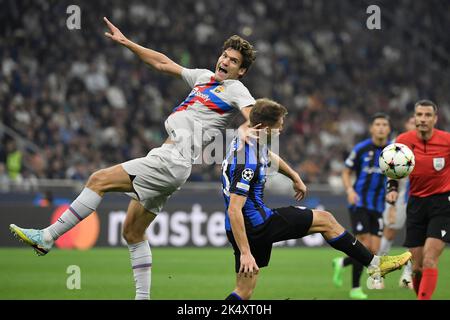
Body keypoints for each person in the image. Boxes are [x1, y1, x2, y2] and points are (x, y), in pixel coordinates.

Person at [9, 17, 258, 300]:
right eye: (225, 55)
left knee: (98, 180)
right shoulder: (203, 78)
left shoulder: (236, 90)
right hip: (169, 160)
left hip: (172, 160)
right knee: (132, 232)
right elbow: (163, 63)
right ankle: (143, 298)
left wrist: (247, 128)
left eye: (234, 61)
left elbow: (253, 115)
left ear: (242, 71)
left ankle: (48, 236)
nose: (225, 61)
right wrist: (128, 43)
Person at [221, 98, 411, 300]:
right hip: (256, 226)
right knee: (325, 220)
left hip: (243, 227)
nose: (281, 131)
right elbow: (234, 210)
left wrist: (294, 176)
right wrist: (245, 252)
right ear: (264, 127)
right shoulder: (247, 162)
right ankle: (374, 265)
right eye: (278, 127)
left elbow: (267, 154)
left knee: (243, 291)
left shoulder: (248, 139)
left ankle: (374, 265)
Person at [386, 100, 450, 300]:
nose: (422, 119)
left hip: (442, 203)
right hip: (416, 203)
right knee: (417, 266)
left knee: (430, 259)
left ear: (435, 119)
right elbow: (392, 168)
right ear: (414, 117)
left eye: (427, 115)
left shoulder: (447, 140)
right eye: (419, 115)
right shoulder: (403, 140)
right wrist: (393, 188)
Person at [332, 113, 392, 299]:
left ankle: (342, 263)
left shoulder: (393, 151)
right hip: (360, 203)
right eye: (378, 124)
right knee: (363, 243)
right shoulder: (362, 148)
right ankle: (355, 288)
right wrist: (350, 190)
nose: (381, 127)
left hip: (378, 205)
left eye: (384, 124)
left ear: (388, 129)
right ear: (372, 128)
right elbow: (346, 171)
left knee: (372, 250)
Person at [378, 115, 416, 289]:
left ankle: (407, 276)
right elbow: (389, 173)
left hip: (421, 197)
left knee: (415, 238)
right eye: (412, 121)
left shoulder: (428, 144)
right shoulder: (398, 144)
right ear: (406, 124)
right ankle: (379, 272)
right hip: (400, 196)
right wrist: (391, 205)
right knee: (390, 232)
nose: (416, 124)